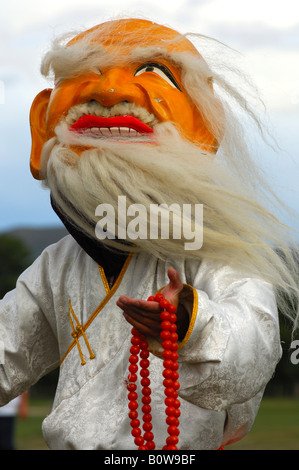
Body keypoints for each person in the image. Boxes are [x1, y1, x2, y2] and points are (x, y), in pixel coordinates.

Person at [0, 18, 298, 450]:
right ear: (43, 120)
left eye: (151, 72)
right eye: (84, 74)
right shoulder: (59, 263)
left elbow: (254, 348)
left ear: (202, 123)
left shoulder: (217, 247)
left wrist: (192, 325)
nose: (109, 92)